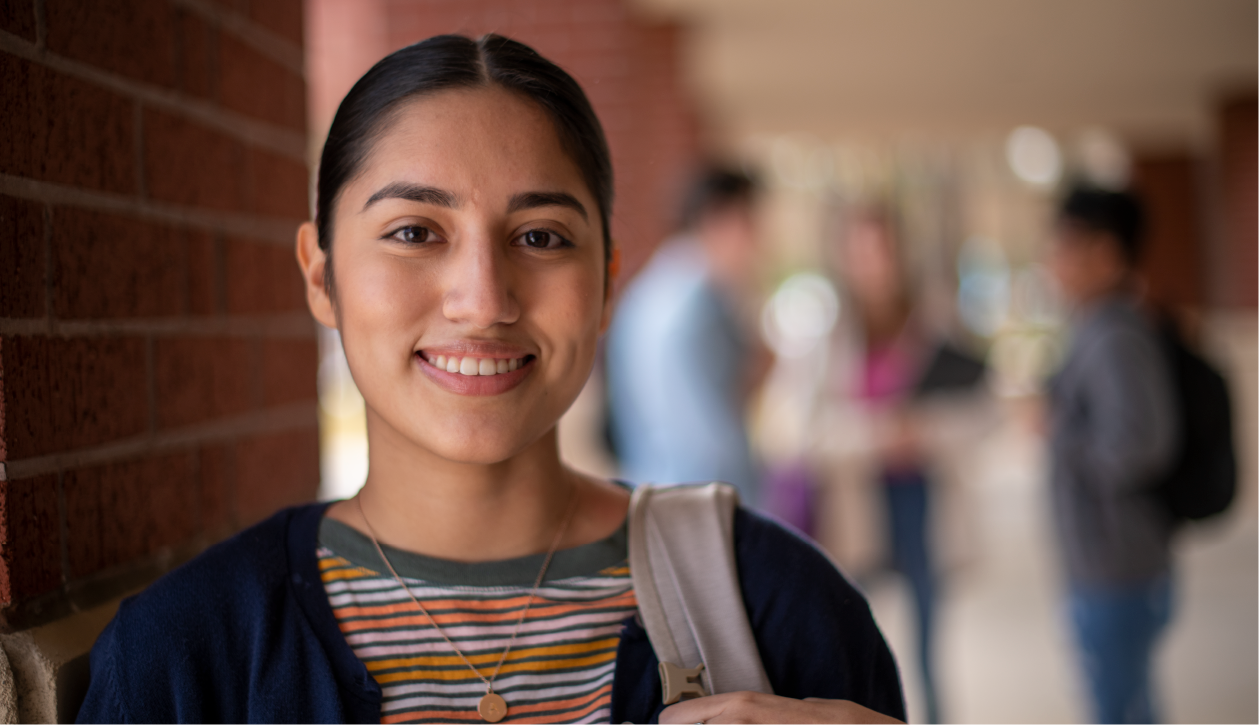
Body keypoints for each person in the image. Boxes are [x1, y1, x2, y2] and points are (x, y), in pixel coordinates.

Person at [75, 35, 905, 725]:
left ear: (608, 281)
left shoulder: (787, 612)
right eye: (413, 230)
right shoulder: (185, 657)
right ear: (322, 277)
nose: (483, 301)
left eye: (541, 237)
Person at [1046, 187, 1178, 725]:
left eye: (1063, 244)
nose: (1052, 260)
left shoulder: (1114, 334)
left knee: (1119, 710)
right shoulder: (1103, 326)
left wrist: (1058, 436)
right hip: (1112, 561)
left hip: (1116, 564)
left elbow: (1140, 444)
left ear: (1104, 252)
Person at [606, 168, 766, 505]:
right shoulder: (700, 302)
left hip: (654, 492)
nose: (758, 244)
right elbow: (713, 441)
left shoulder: (654, 287)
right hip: (699, 504)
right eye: (752, 224)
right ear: (722, 219)